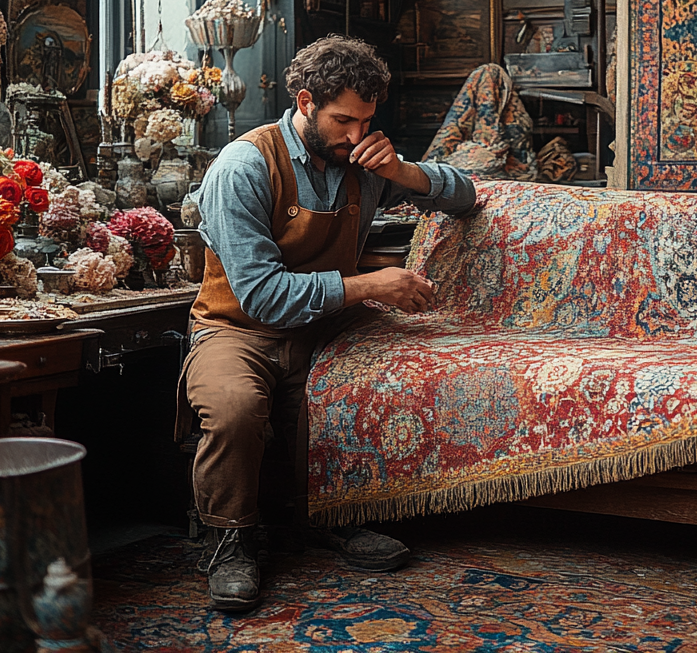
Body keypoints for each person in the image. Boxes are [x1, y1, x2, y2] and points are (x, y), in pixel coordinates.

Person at [176, 35, 477, 610]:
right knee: (235, 407)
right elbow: (263, 298)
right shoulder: (244, 165)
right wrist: (367, 286)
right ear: (306, 101)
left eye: (367, 122)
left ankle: (333, 516)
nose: (357, 135)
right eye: (344, 120)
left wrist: (404, 171)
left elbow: (467, 197)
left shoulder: (362, 158)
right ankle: (229, 540)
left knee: (387, 375)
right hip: (238, 330)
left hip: (325, 328)